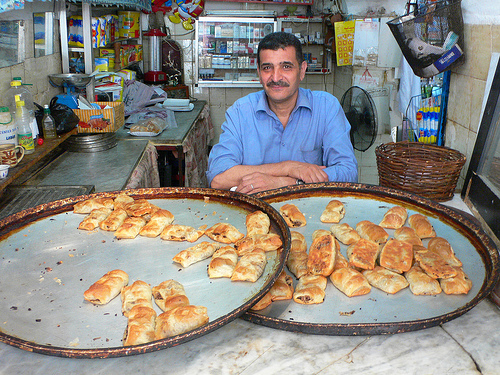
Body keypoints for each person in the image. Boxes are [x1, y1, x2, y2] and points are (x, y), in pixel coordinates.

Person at [206, 31, 358, 194]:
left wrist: (289, 183)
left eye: (286, 67)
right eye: (267, 68)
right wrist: (290, 167)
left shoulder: (327, 107)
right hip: (254, 213)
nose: (276, 77)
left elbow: (348, 172)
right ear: (259, 72)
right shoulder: (241, 111)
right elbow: (218, 178)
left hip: (308, 209)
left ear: (302, 70)